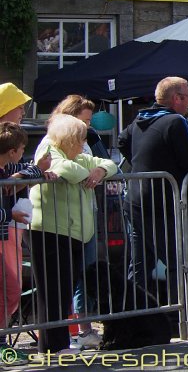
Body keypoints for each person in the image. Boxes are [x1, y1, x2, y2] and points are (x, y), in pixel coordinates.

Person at [118, 77, 188, 336]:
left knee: (140, 264)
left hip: (137, 199)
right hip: (165, 201)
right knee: (181, 261)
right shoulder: (176, 121)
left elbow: (121, 141)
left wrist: (146, 165)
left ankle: (134, 320)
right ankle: (181, 318)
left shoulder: (139, 120)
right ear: (177, 99)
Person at [29, 114, 118, 354]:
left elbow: (110, 164)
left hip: (74, 232)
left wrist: (99, 170)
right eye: (79, 139)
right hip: (50, 229)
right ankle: (51, 347)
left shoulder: (77, 155)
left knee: (64, 289)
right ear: (68, 138)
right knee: (53, 292)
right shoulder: (50, 148)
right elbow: (62, 168)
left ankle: (57, 345)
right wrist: (88, 174)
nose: (82, 144)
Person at [0, 123, 44, 364]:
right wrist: (10, 216)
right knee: (10, 289)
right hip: (3, 234)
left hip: (3, 237)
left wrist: (21, 176)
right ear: (13, 150)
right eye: (23, 148)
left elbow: (33, 169)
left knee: (10, 289)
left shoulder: (7, 167)